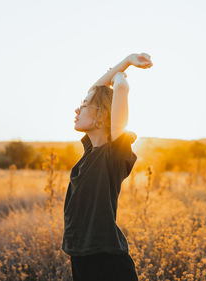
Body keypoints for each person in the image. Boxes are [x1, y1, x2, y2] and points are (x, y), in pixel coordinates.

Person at [62, 53, 153, 281]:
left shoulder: (113, 155)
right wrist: (128, 60)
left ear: (102, 117)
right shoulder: (89, 153)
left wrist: (122, 81)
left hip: (107, 261)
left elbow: (119, 103)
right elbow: (96, 90)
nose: (77, 110)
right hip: (80, 256)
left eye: (83, 106)